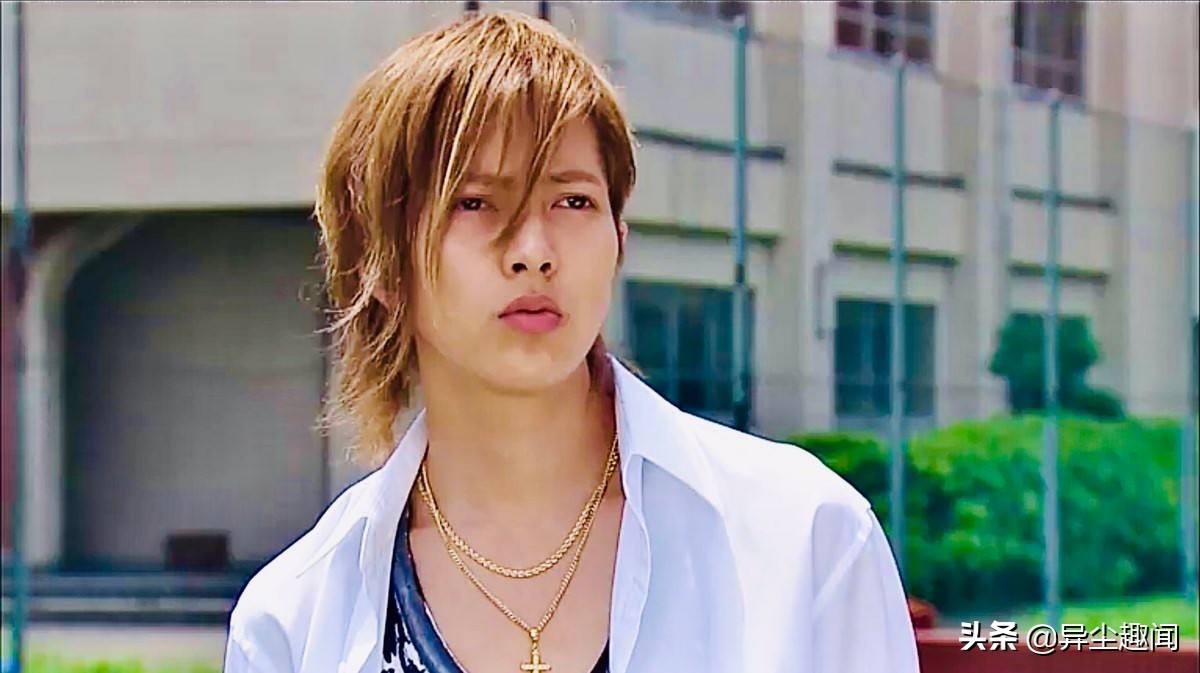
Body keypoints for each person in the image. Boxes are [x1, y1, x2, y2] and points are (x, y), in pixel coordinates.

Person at [223, 9, 919, 673]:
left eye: (573, 201)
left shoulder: (805, 539)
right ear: (380, 264)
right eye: (475, 202)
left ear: (619, 240)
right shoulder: (296, 616)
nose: (533, 251)